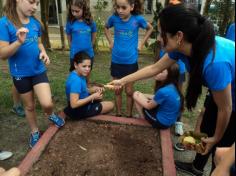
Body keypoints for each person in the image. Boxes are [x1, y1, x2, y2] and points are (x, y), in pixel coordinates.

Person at [110, 4, 235, 175]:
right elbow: (154, 69)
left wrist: (217, 138)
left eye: (162, 34)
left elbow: (226, 108)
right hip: (223, 94)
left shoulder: (214, 63)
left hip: (231, 101)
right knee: (207, 132)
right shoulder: (183, 49)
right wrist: (122, 81)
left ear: (179, 36)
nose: (159, 39)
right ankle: (198, 168)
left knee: (222, 155)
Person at [0, 0, 65, 148]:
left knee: (47, 103)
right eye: (31, 2)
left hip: (38, 70)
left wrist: (43, 52)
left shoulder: (35, 23)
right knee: (29, 106)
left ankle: (50, 114)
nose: (35, 7)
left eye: (37, 3)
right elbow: (2, 54)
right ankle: (34, 131)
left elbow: (39, 43)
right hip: (20, 74)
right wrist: (18, 42)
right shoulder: (4, 23)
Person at [104, 0, 153, 117]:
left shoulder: (137, 19)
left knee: (129, 91)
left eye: (123, 7)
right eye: (117, 7)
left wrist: (141, 44)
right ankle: (119, 114)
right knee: (117, 90)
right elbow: (106, 27)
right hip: (116, 60)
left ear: (131, 7)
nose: (120, 10)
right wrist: (110, 42)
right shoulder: (113, 19)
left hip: (130, 62)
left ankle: (129, 115)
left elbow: (150, 28)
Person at [64, 52, 114, 120]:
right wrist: (92, 97)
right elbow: (74, 104)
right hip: (78, 111)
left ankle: (92, 109)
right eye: (84, 66)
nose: (87, 69)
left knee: (99, 98)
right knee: (111, 105)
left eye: (89, 66)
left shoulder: (78, 74)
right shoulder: (76, 81)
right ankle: (88, 113)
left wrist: (93, 89)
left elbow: (81, 90)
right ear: (75, 65)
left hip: (78, 106)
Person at [133, 63, 184, 129]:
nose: (157, 72)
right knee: (141, 96)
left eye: (161, 72)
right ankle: (147, 117)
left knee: (135, 95)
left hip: (161, 123)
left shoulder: (163, 91)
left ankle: (144, 120)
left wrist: (138, 95)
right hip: (170, 121)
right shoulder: (173, 86)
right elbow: (157, 97)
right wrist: (143, 95)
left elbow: (149, 106)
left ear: (169, 75)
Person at [66, 0, 97, 72]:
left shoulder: (90, 22)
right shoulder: (70, 22)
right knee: (75, 76)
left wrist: (91, 45)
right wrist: (72, 47)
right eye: (72, 11)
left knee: (87, 75)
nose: (74, 13)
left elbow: (94, 33)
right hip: (75, 54)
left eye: (77, 11)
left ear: (84, 9)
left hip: (88, 54)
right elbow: (69, 37)